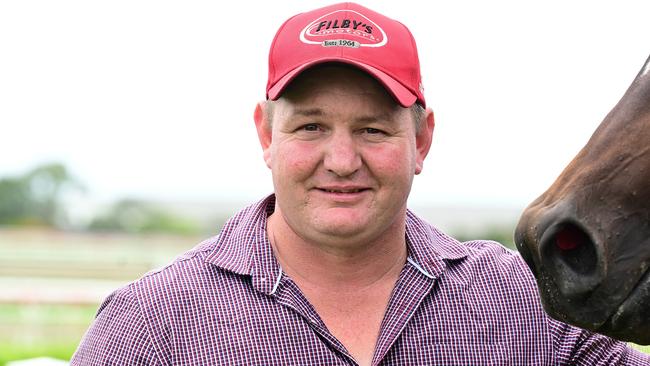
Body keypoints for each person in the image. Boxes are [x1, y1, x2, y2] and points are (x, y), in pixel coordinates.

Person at [71, 3, 649, 365]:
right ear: (265, 135)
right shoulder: (151, 325)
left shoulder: (524, 302)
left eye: (373, 129)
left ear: (421, 140)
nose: (342, 160)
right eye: (311, 127)